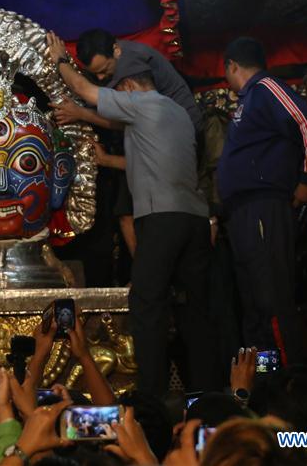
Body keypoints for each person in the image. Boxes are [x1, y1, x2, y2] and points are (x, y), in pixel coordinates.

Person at [46, 32, 221, 398]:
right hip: (194, 222)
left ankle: (151, 399)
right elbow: (152, 161)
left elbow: (84, 89)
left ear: (127, 85)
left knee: (147, 305)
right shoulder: (178, 115)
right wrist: (107, 160)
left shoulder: (140, 104)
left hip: (163, 220)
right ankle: (206, 395)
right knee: (196, 312)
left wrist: (61, 59)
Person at [217, 37, 307, 366]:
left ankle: (291, 384)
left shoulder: (266, 87)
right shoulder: (249, 99)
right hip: (242, 213)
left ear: (233, 65)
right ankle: (265, 383)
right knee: (253, 306)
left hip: (264, 206)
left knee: (272, 300)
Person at [73, 28, 204, 134]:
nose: (100, 78)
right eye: (95, 73)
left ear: (116, 50)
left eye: (104, 69)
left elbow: (126, 121)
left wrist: (82, 114)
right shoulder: (113, 58)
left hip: (186, 127)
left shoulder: (130, 63)